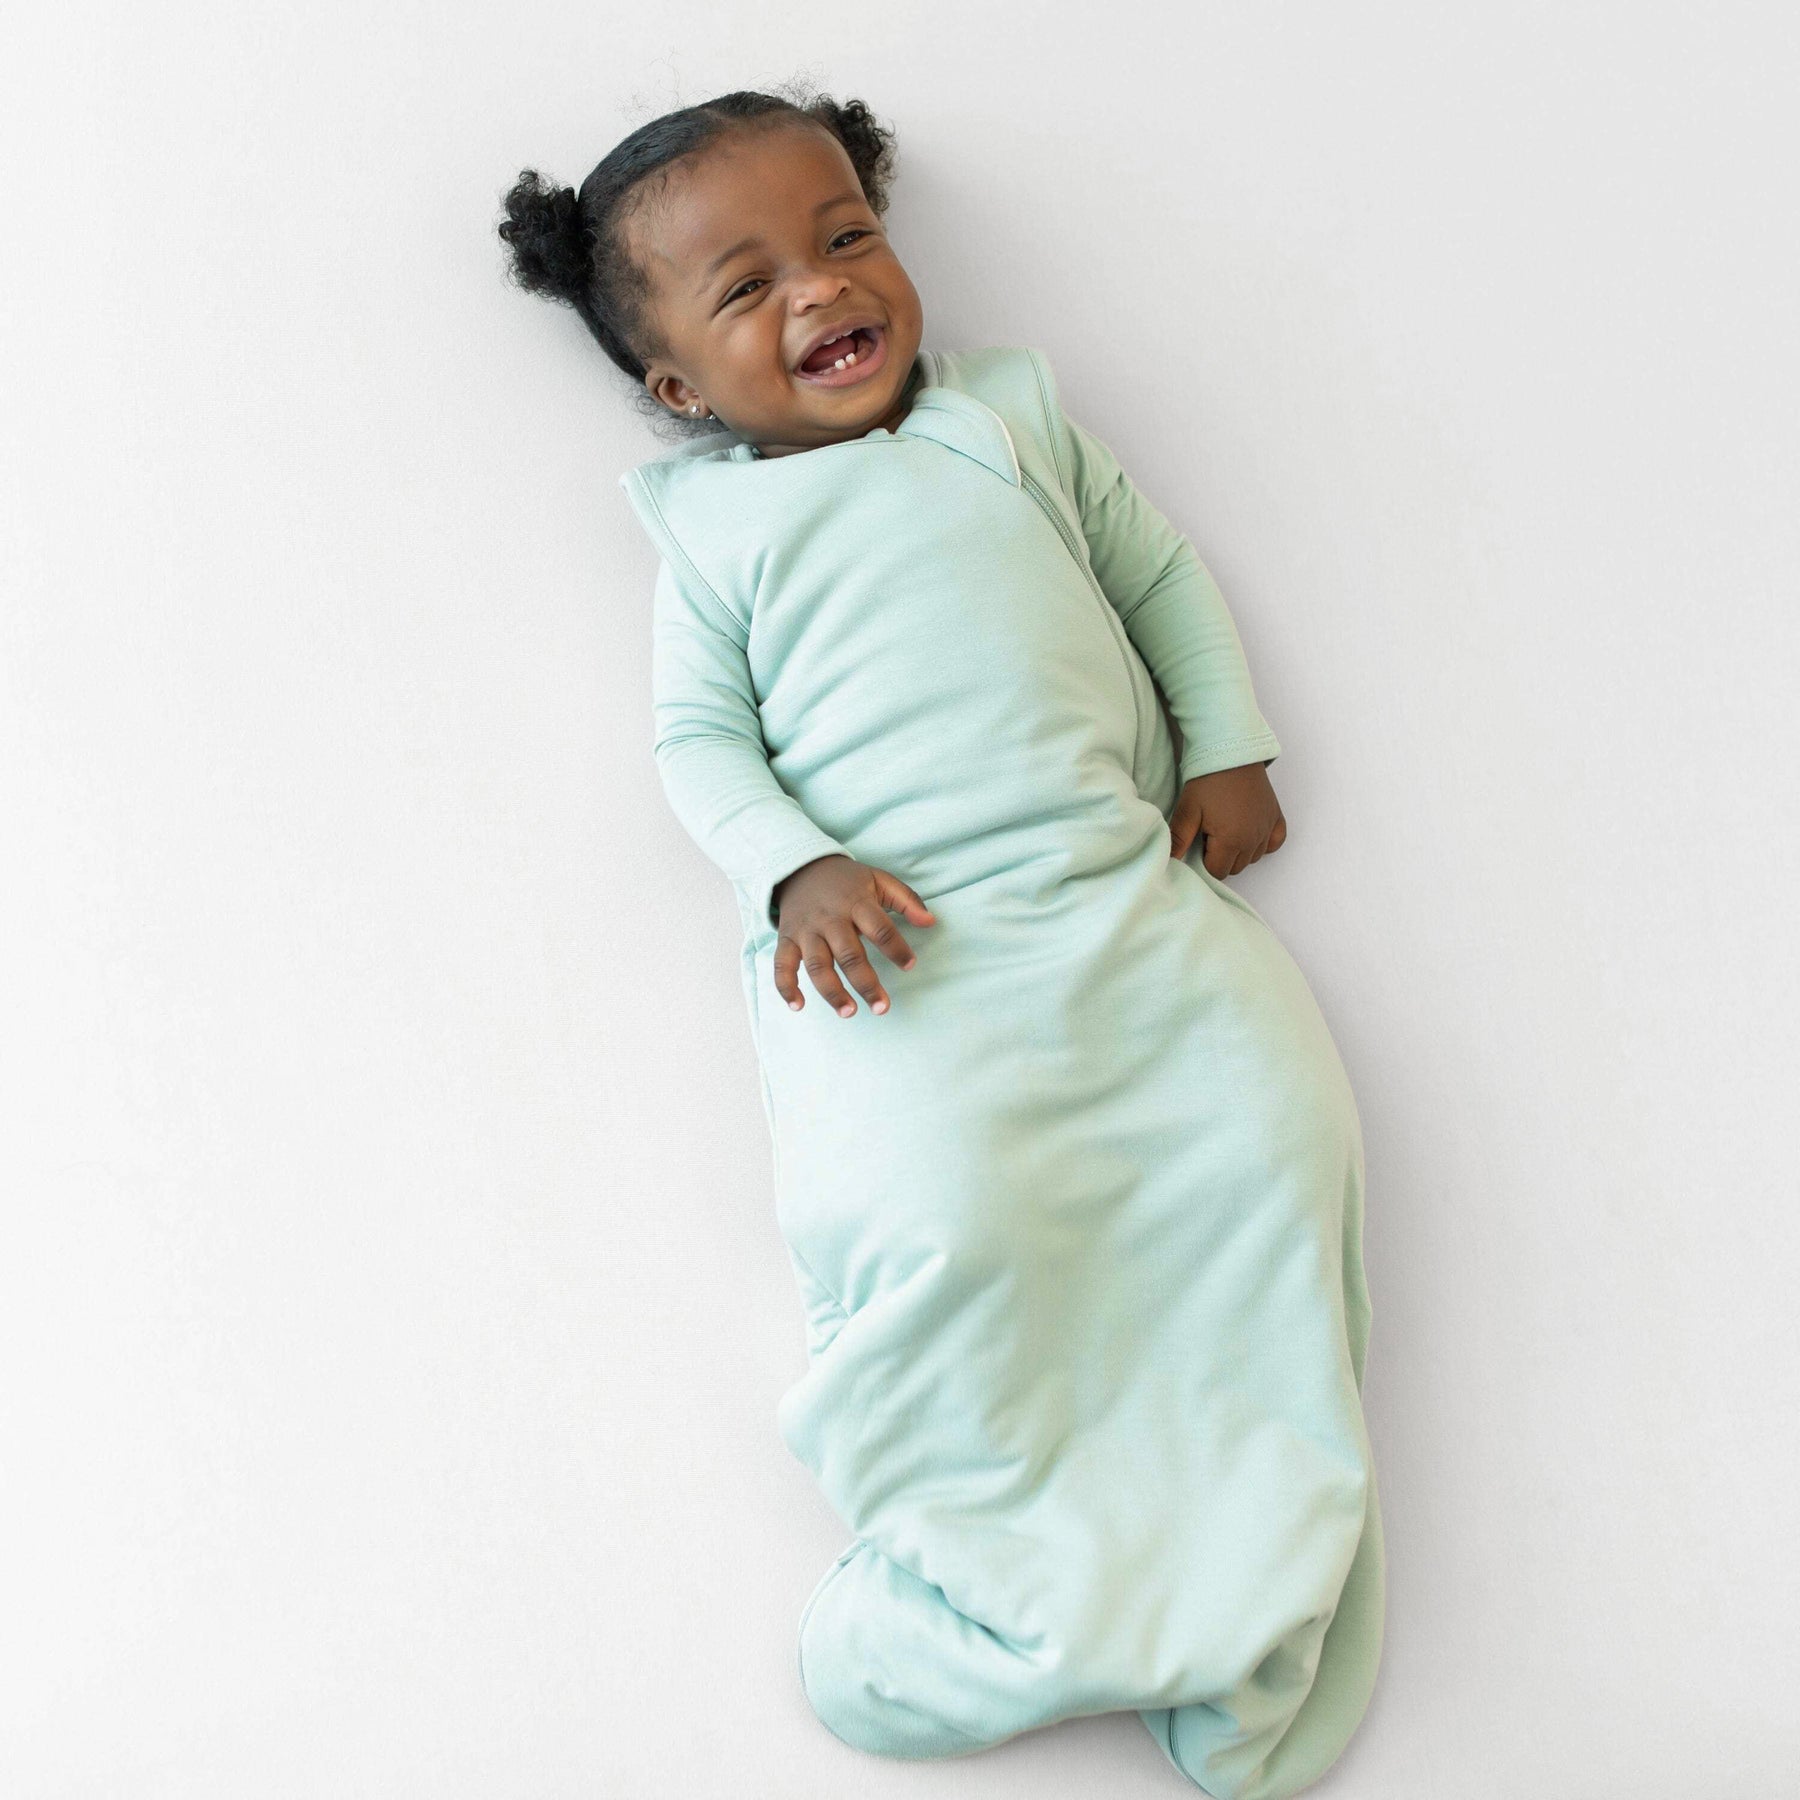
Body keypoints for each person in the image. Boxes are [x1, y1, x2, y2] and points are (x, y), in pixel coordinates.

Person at [499, 81, 1384, 1800]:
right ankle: (988, 1592)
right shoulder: (717, 535)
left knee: (1277, 1146)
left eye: (844, 240)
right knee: (949, 1233)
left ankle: (1244, 1569)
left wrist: (1227, 741)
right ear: (678, 385)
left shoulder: (1013, 422)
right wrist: (793, 870)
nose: (822, 292)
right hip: (898, 974)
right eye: (745, 286)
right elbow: (698, 747)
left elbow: (1162, 577)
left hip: (1119, 913)